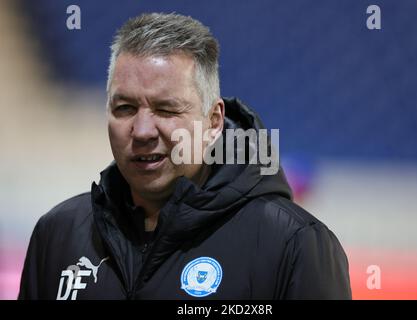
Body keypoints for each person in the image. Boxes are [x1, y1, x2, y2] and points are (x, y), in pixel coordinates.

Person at [18, 13, 351, 300]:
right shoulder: (58, 233)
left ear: (214, 122)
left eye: (166, 109)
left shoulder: (293, 243)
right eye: (125, 108)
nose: (143, 130)